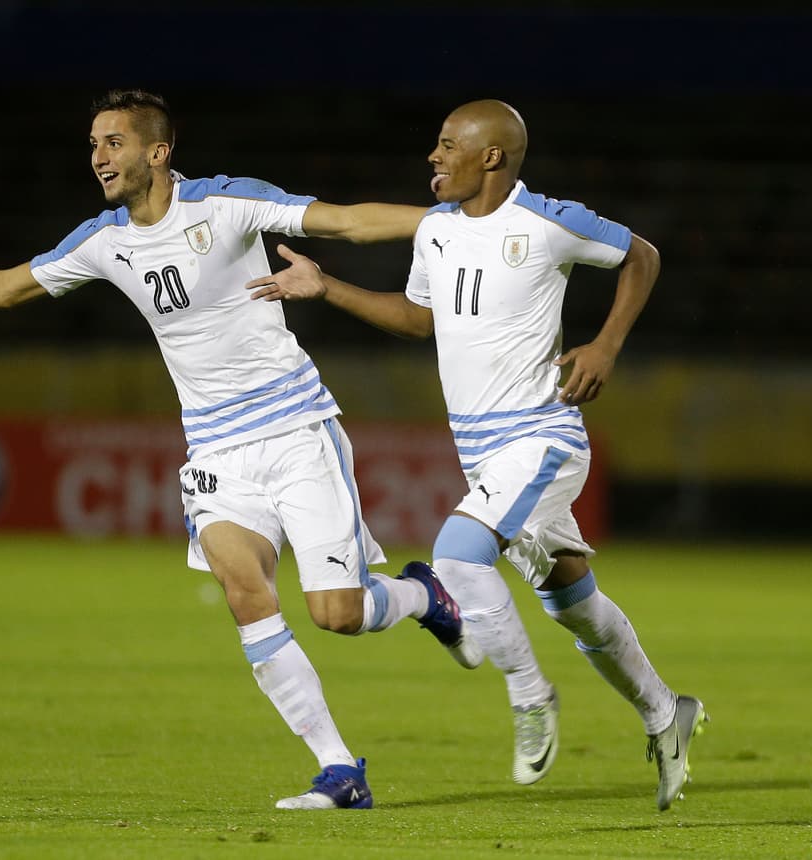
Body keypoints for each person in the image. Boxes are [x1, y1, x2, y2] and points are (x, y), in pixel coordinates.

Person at [0, 89, 483, 811]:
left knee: (338, 615)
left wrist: (457, 220)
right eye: (93, 144)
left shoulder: (225, 204)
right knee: (245, 594)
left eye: (114, 142)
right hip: (215, 451)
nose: (99, 157)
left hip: (295, 431)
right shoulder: (104, 241)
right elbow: (5, 288)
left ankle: (422, 596)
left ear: (158, 152)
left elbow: (346, 221)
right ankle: (339, 770)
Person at [246, 99, 707, 811]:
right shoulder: (437, 230)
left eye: (446, 144)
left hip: (542, 435)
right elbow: (420, 319)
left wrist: (605, 345)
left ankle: (530, 696)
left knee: (458, 556)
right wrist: (327, 287)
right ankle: (664, 710)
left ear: (491, 156)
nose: (433, 157)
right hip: (482, 453)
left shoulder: (546, 221)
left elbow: (641, 255)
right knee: (572, 601)